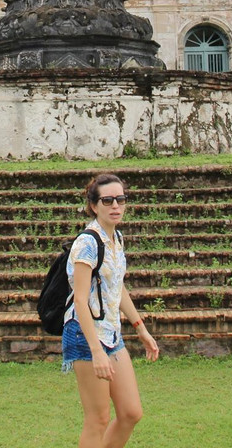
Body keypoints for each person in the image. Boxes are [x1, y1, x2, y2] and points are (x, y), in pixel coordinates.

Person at [63, 173, 160, 448]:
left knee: (131, 413)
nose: (116, 205)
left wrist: (140, 329)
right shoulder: (87, 243)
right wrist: (96, 352)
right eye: (108, 200)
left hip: (111, 333)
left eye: (121, 199)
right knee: (98, 418)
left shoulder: (115, 238)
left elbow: (117, 287)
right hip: (85, 336)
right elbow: (80, 301)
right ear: (94, 205)